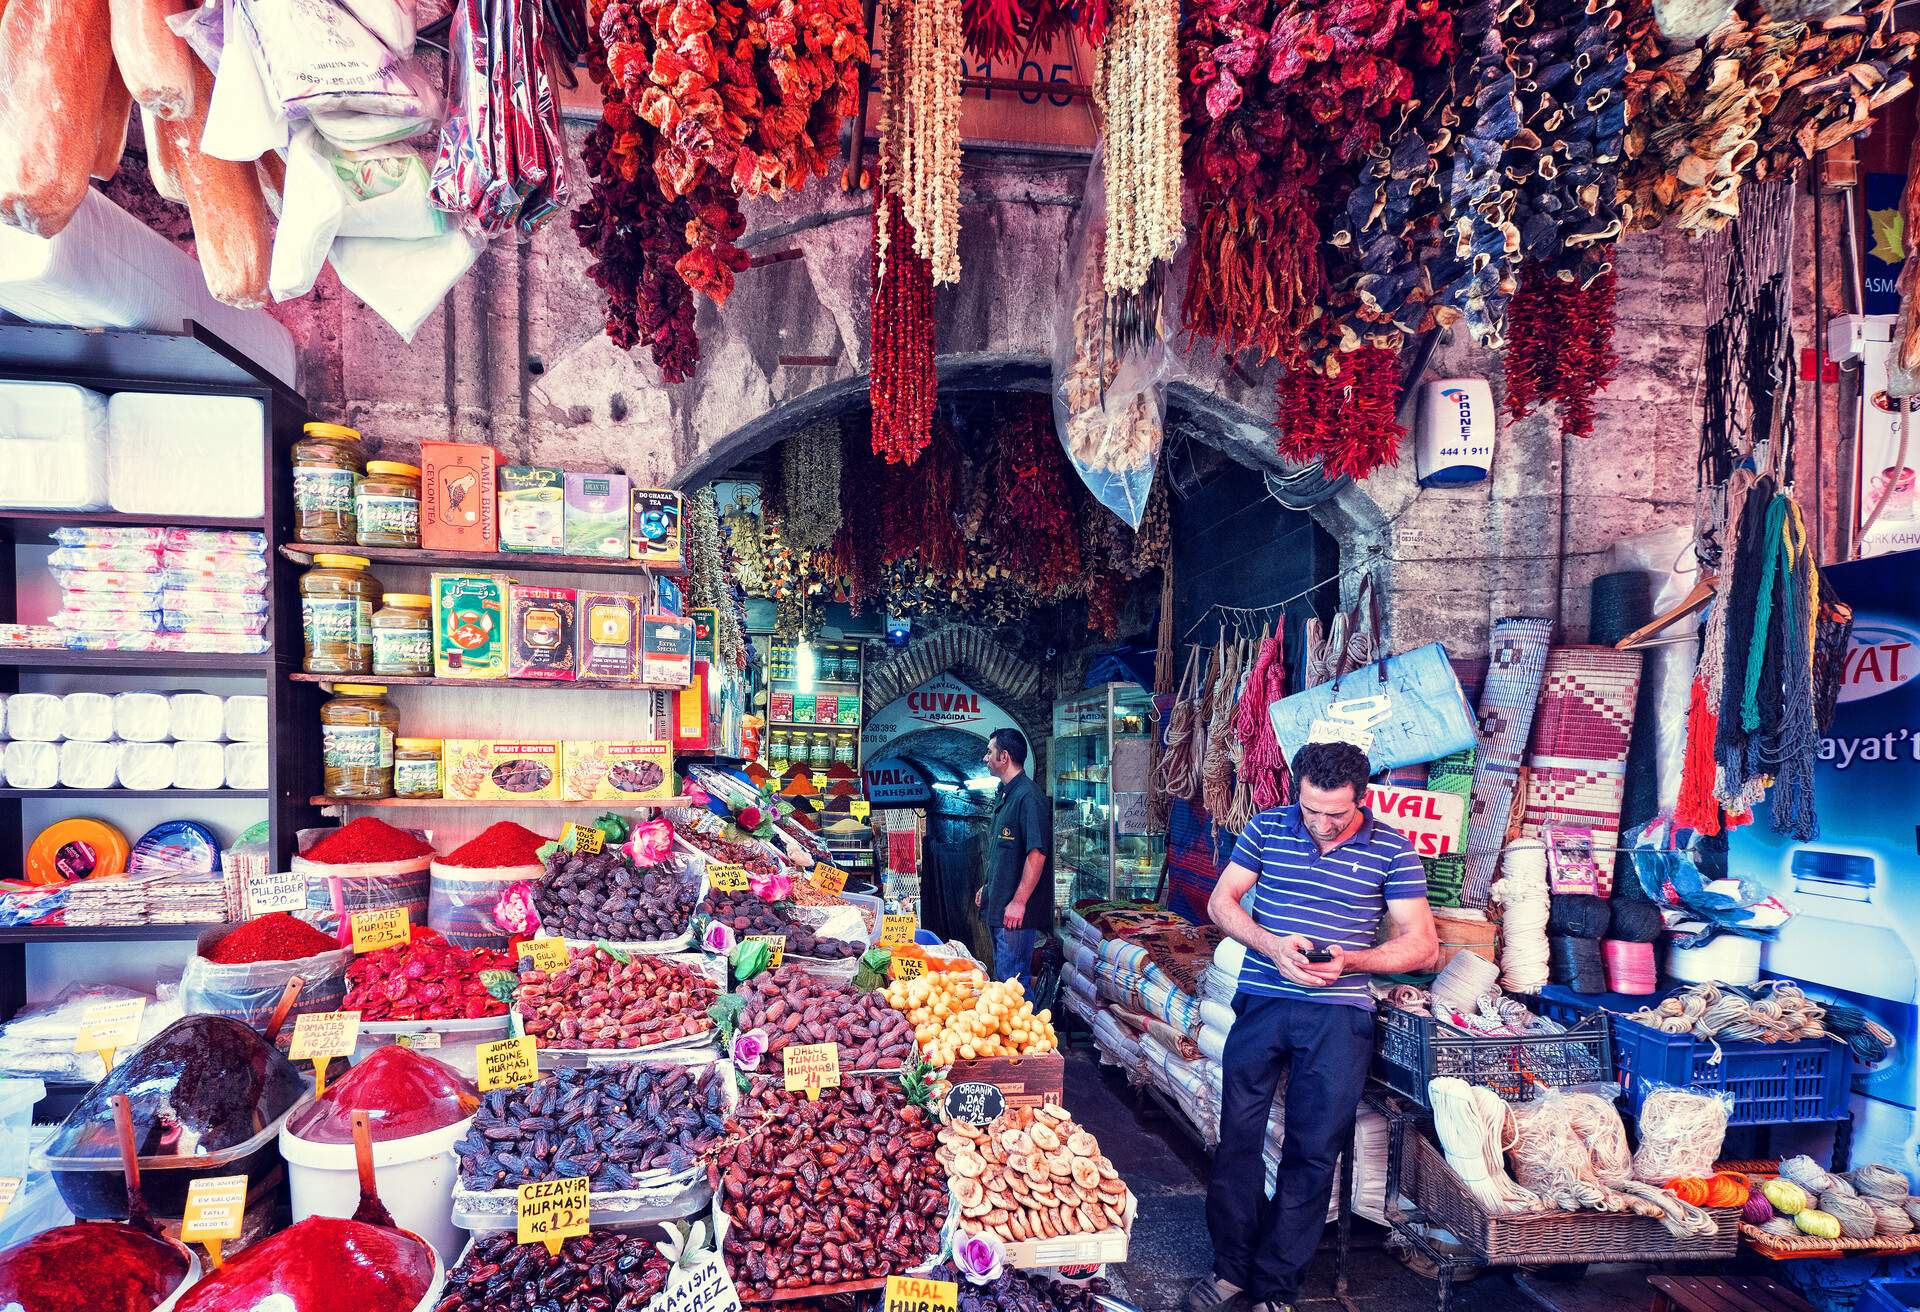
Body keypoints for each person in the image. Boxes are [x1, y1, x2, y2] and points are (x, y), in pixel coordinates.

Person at [1188, 740, 1438, 1312]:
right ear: (1296, 791)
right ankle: (1230, 1270)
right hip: (1263, 1003)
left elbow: (1422, 945)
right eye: (1311, 809)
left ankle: (1276, 1287)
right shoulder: (1267, 828)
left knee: (1313, 1151)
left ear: (1362, 798)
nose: (1322, 823)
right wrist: (1273, 945)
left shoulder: (1393, 852)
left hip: (1339, 1017)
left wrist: (1352, 960)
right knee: (1238, 1139)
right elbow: (1221, 904)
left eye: (1337, 812)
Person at [975, 726, 1052, 991]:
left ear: (1004, 756)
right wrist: (988, 889)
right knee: (1005, 983)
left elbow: (1037, 854)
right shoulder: (1006, 795)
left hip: (1015, 917)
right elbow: (1004, 856)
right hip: (1000, 908)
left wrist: (1019, 902)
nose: (986, 758)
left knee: (1013, 987)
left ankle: (1028, 1032)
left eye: (989, 752)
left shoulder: (1029, 798)